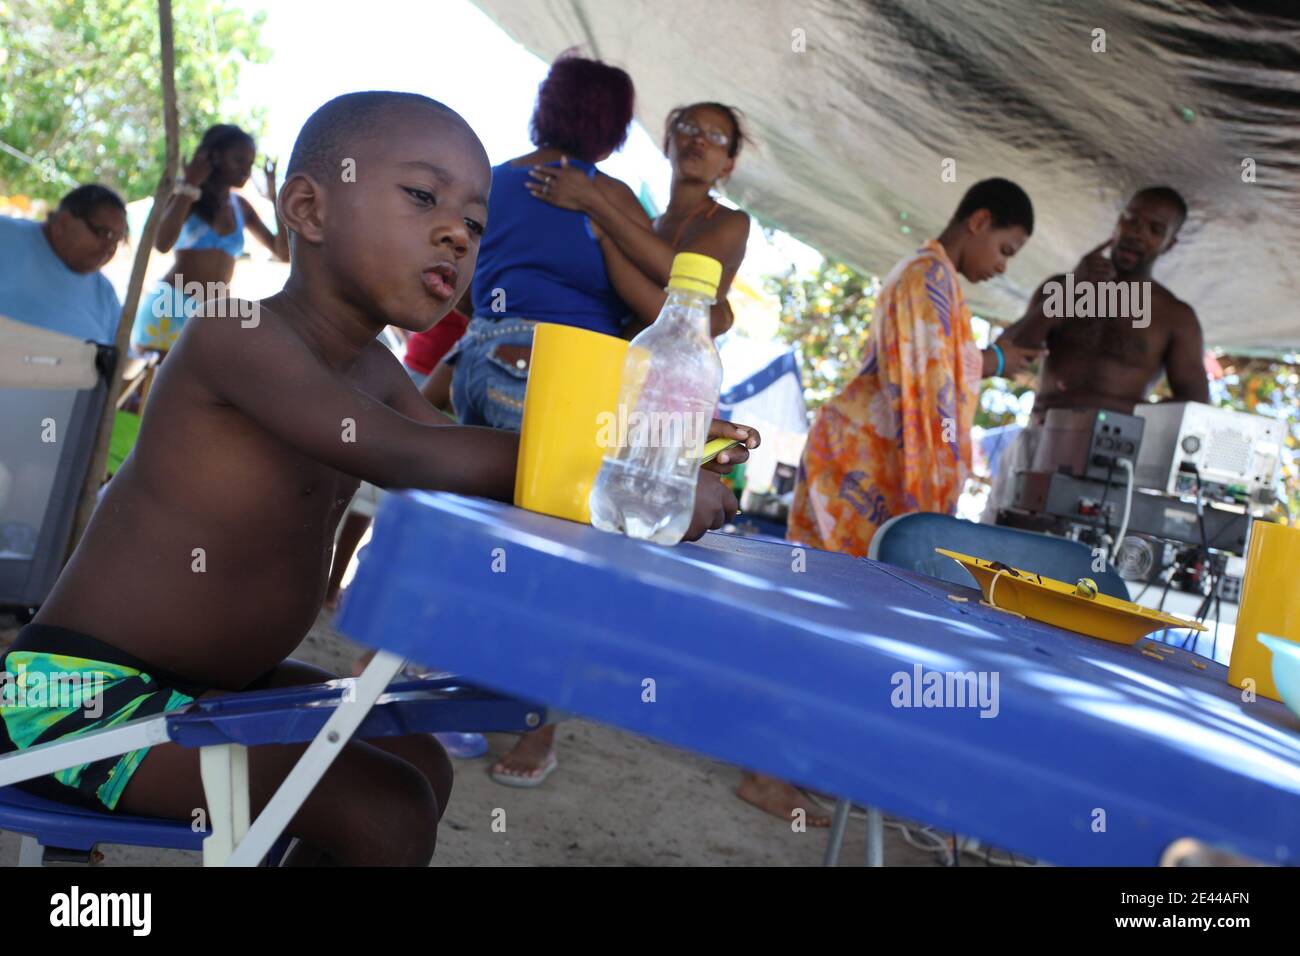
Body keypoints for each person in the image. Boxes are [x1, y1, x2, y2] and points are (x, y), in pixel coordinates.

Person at [0, 90, 745, 866]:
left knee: (417, 762)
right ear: (308, 209)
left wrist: (661, 455)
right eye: (422, 197)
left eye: (476, 223)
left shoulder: (374, 370)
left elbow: (470, 466)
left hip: (211, 686)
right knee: (379, 812)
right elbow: (415, 456)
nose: (458, 232)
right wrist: (622, 470)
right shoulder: (238, 332)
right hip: (70, 700)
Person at [764, 179, 1041, 826]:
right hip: (856, 471)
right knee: (820, 618)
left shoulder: (938, 284)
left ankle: (799, 761)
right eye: (1006, 248)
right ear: (978, 220)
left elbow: (937, 367)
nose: (1001, 266)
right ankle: (765, 770)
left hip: (866, 468)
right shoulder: (926, 279)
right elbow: (924, 388)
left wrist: (994, 358)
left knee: (847, 622)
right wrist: (930, 510)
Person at [981, 186, 1209, 521]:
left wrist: (1119, 413)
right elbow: (1006, 351)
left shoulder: (1175, 317)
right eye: (1130, 221)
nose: (1135, 234)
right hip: (1039, 444)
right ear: (1118, 223)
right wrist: (1071, 289)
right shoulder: (1062, 286)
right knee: (995, 554)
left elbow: (1197, 407)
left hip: (1115, 466)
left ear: (1169, 244)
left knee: (1084, 570)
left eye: (1154, 230)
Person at [526, 101, 751, 337]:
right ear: (667, 142)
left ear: (728, 164)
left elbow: (676, 309)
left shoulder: (731, 222)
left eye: (716, 136)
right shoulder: (649, 224)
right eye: (689, 128)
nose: (699, 140)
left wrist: (595, 208)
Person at [132, 123, 289, 354]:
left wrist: (275, 196)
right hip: (171, 307)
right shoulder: (187, 196)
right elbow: (161, 244)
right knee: (157, 388)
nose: (246, 170)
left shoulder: (241, 207)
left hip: (214, 314)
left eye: (249, 163)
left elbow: (283, 254)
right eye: (238, 160)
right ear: (214, 157)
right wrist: (190, 185)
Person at [0, 184, 125, 343]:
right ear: (63, 222)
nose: (109, 248)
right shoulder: (5, 236)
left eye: (117, 240)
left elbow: (122, 358)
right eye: (104, 233)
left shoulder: (105, 294)